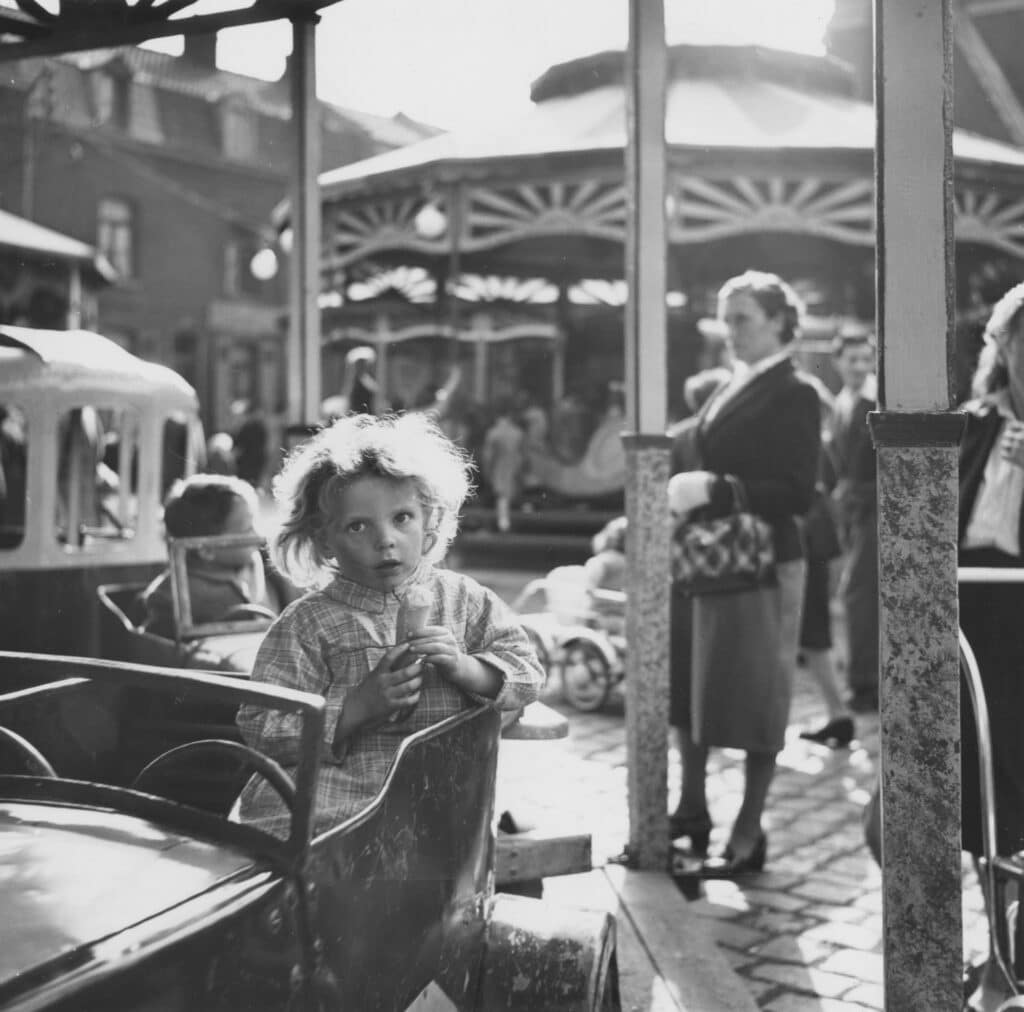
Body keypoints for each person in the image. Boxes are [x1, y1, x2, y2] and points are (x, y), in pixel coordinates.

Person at [234, 412, 544, 838]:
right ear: (325, 540)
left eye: (402, 518)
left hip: (437, 790)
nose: (386, 540)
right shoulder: (308, 623)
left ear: (429, 519)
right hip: (340, 789)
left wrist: (466, 667)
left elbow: (527, 674)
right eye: (358, 526)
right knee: (279, 829)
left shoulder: (465, 601)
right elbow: (263, 726)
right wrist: (355, 710)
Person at [666, 270, 820, 877]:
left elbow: (799, 491)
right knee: (692, 681)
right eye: (725, 319)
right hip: (711, 559)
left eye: (743, 319)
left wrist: (720, 488)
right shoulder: (732, 384)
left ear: (781, 322)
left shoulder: (796, 390)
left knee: (759, 692)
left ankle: (750, 829)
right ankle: (693, 805)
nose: (729, 332)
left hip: (762, 562)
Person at [958, 280, 1024, 866]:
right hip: (969, 599)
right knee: (975, 764)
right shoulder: (974, 421)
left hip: (1020, 606)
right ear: (1004, 345)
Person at [798, 380, 855, 748]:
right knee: (812, 636)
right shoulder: (819, 446)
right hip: (817, 547)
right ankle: (838, 714)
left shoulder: (809, 447)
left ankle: (839, 713)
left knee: (813, 635)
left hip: (809, 549)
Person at [141, 474, 268, 638]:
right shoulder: (173, 599)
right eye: (247, 529)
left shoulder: (243, 570)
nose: (257, 536)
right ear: (206, 550)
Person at [829, 330, 879, 713]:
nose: (860, 366)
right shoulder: (842, 403)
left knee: (857, 594)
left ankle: (864, 683)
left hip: (874, 509)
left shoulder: (874, 405)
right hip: (851, 512)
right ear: (838, 362)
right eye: (852, 359)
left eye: (866, 359)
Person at [480, 403, 525, 533]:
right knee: (508, 496)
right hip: (514, 466)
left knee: (502, 496)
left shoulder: (493, 433)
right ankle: (507, 525)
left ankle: (503, 524)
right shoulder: (518, 433)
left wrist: (487, 472)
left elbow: (487, 456)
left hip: (499, 467)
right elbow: (522, 455)